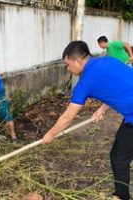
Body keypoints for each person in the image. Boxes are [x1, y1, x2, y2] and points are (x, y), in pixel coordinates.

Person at [42, 41, 133, 200]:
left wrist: (50, 136)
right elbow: (121, 84)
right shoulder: (108, 60)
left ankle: (121, 197)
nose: (68, 69)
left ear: (77, 60)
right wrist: (103, 108)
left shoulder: (85, 83)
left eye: (68, 64)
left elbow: (68, 117)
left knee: (118, 159)